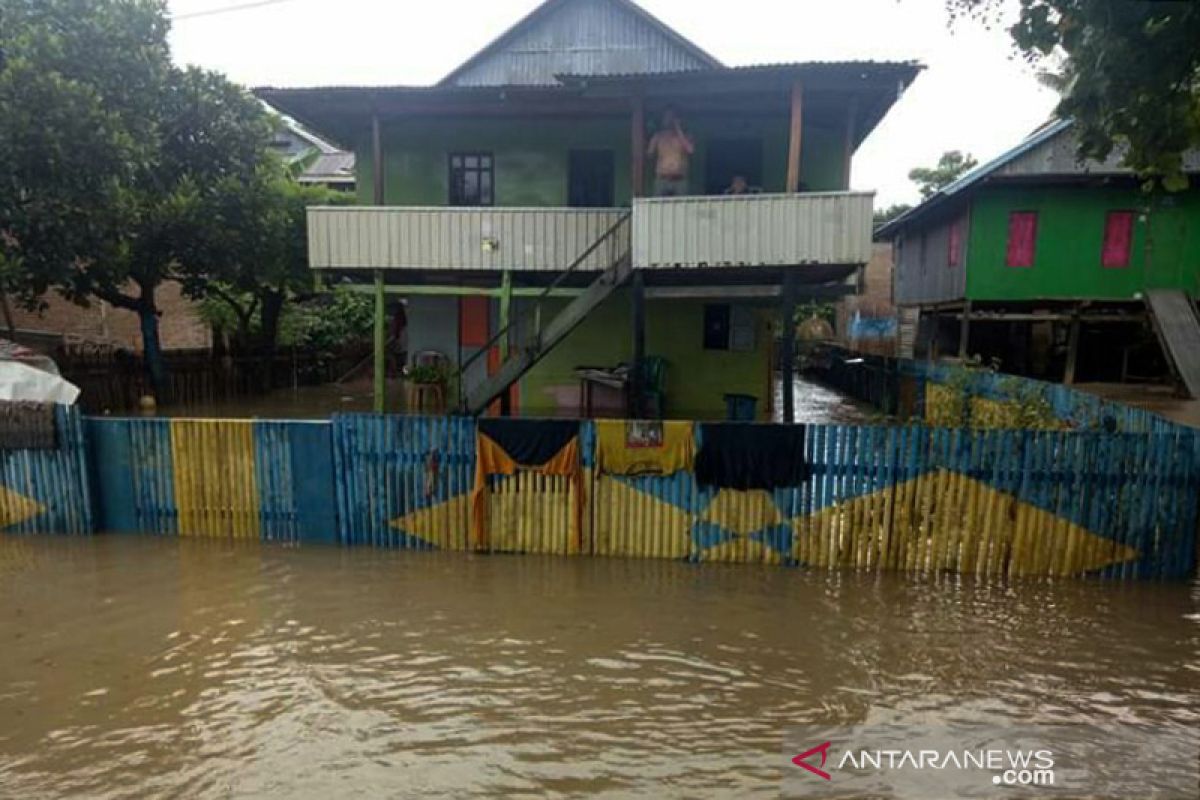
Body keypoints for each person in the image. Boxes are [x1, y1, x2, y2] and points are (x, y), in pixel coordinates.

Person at [646, 109, 694, 197]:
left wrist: (678, 129)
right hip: (662, 178)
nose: (669, 120)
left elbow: (690, 150)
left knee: (681, 207)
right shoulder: (657, 136)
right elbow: (649, 154)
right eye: (667, 117)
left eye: (672, 117)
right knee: (658, 207)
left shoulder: (686, 136)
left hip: (680, 179)